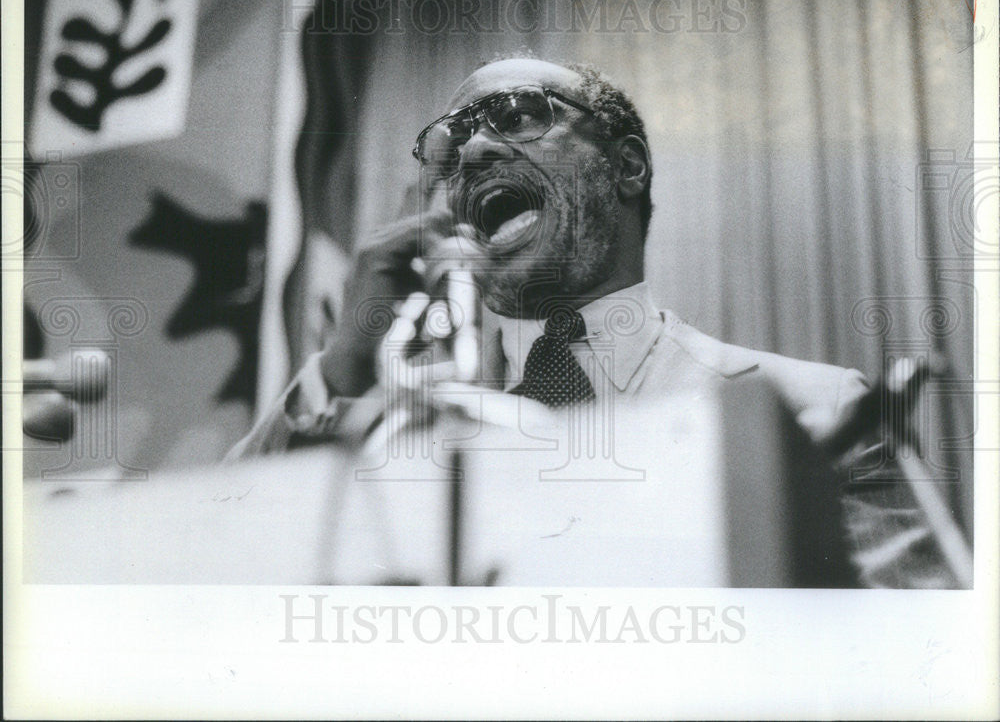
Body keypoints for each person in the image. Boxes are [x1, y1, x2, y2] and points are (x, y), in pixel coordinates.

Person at [229, 57, 957, 588]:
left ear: (628, 167)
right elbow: (219, 565)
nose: (473, 152)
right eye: (450, 146)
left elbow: (911, 667)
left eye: (516, 115)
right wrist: (343, 364)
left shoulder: (818, 407)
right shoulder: (407, 441)